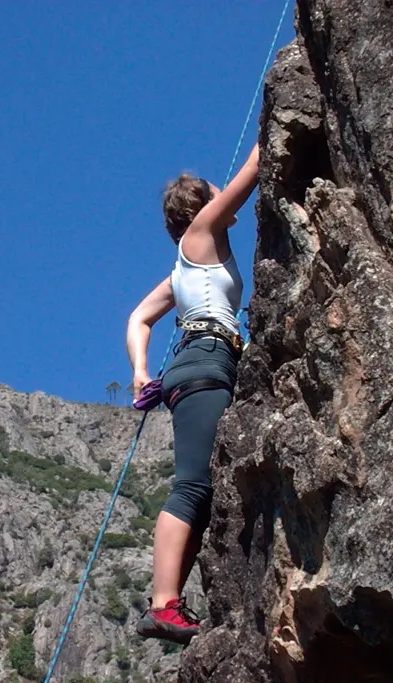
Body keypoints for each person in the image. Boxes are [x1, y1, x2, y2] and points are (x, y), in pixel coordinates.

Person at [126, 142, 261, 645]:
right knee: (192, 486)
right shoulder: (203, 234)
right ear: (203, 205)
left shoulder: (184, 269)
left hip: (198, 362)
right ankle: (163, 604)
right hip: (206, 360)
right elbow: (252, 170)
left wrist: (141, 369)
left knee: (202, 491)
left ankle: (169, 601)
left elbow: (139, 317)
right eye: (211, 193)